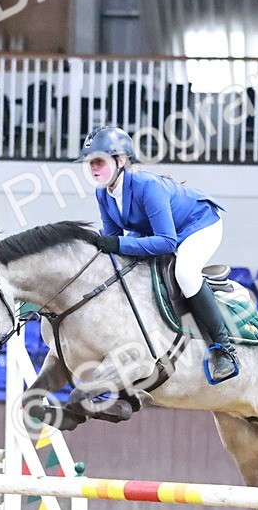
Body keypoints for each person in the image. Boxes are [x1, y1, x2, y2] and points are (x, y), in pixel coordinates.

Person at [78, 126, 239, 384]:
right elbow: (114, 242)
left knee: (185, 273)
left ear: (121, 160)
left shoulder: (147, 186)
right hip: (159, 231)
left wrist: (117, 244)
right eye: (90, 162)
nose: (93, 168)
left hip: (199, 225)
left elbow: (166, 242)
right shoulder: (103, 194)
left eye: (100, 161)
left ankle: (224, 349)